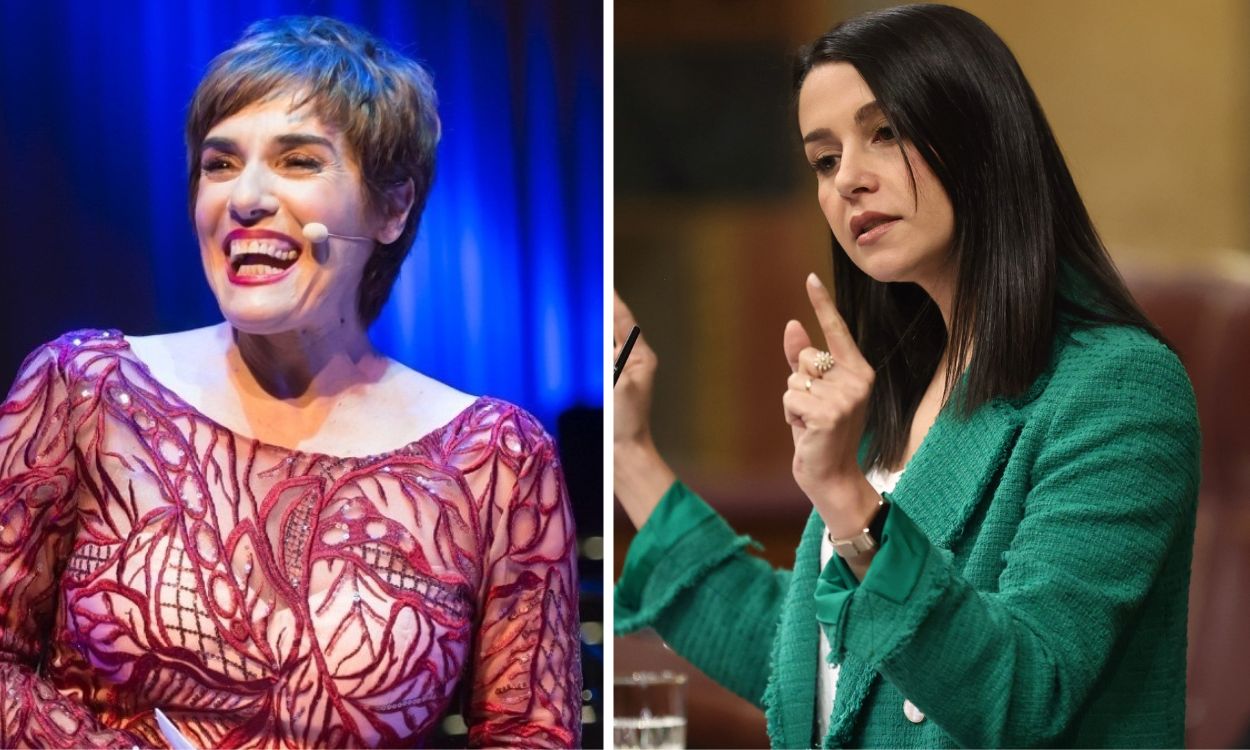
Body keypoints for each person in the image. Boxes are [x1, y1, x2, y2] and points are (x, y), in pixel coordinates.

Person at [614, 4, 1199, 748]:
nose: (847, 181)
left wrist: (847, 501)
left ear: (981, 136)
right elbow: (826, 674)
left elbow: (1020, 694)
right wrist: (629, 452)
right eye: (824, 160)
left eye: (884, 133)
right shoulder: (900, 385)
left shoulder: (1119, 389)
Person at [0, 16, 581, 749]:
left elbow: (531, 733)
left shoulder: (494, 458)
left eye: (299, 161)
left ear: (393, 206)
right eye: (219, 164)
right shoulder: (85, 392)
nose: (245, 197)